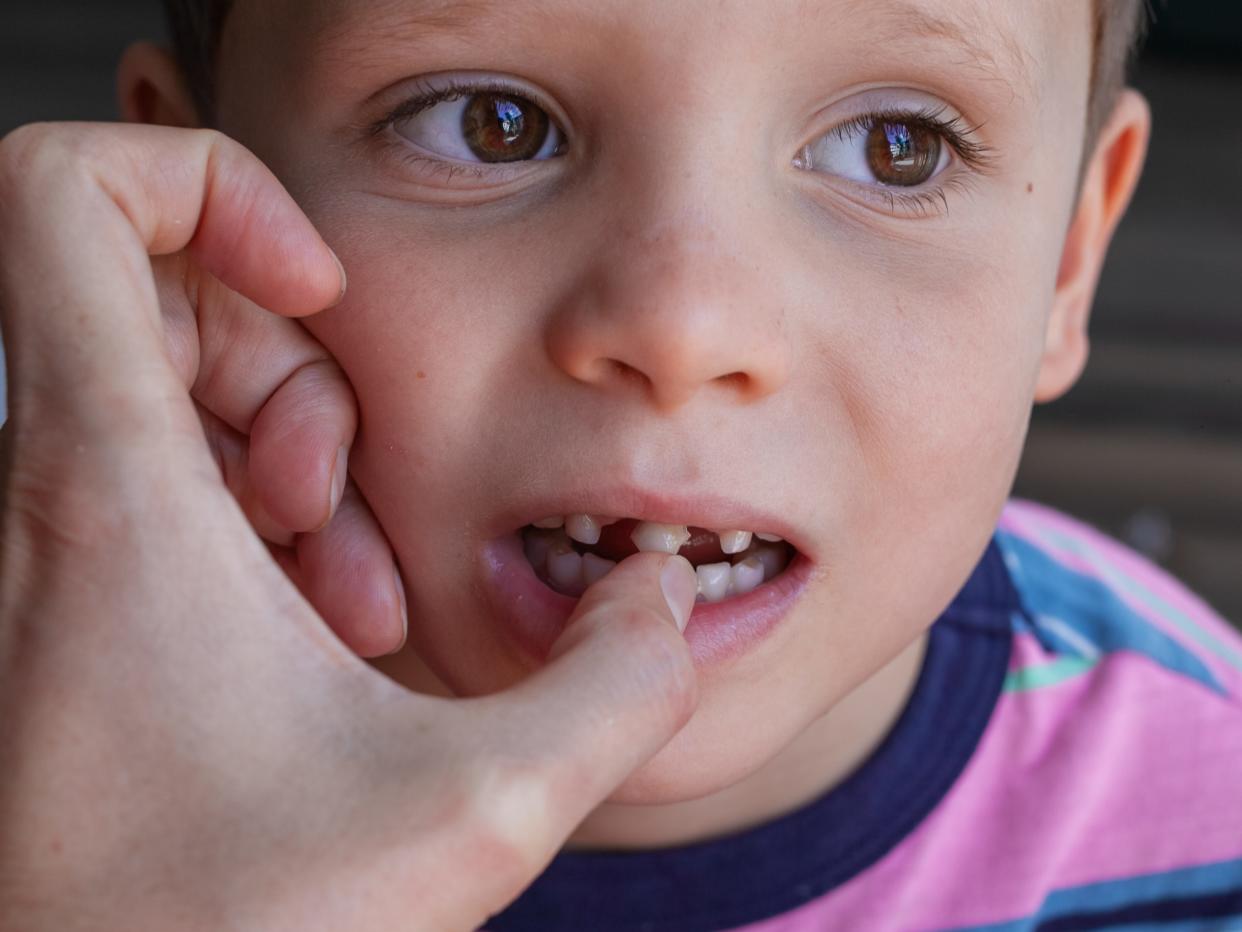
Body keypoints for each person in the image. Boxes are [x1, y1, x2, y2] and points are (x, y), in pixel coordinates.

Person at [1, 0, 1239, 929]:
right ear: (193, 220)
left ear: (1069, 261)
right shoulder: (43, 766)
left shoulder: (1209, 812)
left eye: (896, 147)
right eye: (492, 125)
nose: (682, 326)